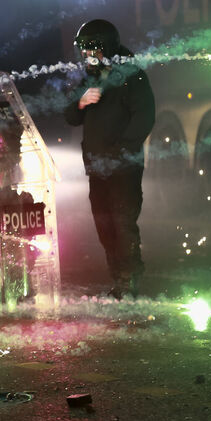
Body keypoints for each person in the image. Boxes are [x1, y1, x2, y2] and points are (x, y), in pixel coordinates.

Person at [63, 19, 155, 299]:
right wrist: (81, 102)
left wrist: (122, 150)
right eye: (82, 51)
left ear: (104, 47)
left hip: (123, 166)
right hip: (97, 166)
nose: (85, 56)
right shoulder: (91, 75)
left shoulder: (131, 74)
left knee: (122, 222)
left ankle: (129, 281)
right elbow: (70, 116)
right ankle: (118, 280)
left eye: (89, 50)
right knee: (104, 225)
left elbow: (145, 115)